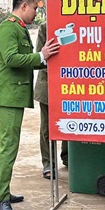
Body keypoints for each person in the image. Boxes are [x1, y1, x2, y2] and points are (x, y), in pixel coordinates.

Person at [0, 0, 60, 210]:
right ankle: (1, 202)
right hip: (8, 94)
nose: (36, 13)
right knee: (8, 146)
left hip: (12, 95)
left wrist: (45, 58)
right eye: (36, 9)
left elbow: (26, 60)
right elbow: (11, 59)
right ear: (24, 6)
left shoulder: (18, 27)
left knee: (1, 144)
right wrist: (41, 56)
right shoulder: (9, 27)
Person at [34, 21, 67, 179]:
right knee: (47, 126)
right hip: (48, 84)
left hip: (70, 84)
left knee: (70, 121)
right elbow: (40, 58)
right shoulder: (46, 27)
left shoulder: (75, 25)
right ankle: (48, 163)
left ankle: (68, 157)